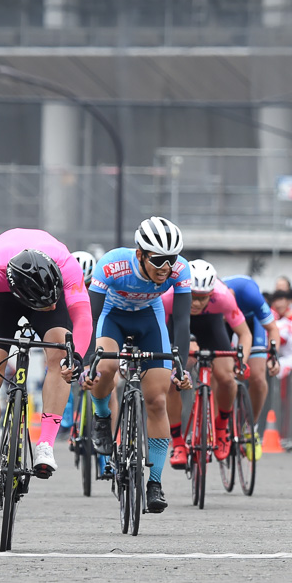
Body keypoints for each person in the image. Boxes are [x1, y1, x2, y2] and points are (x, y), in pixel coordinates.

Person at [0, 228, 92, 502]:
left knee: (60, 355)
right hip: (4, 296)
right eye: (48, 305)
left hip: (46, 284)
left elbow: (83, 317)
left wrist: (76, 356)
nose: (53, 309)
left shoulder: (66, 265)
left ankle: (45, 444)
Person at [83, 216, 191, 513]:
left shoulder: (180, 270)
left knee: (157, 399)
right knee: (104, 367)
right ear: (140, 254)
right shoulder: (112, 264)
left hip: (149, 319)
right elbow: (91, 319)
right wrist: (87, 360)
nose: (166, 268)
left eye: (171, 259)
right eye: (158, 260)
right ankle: (102, 416)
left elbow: (181, 320)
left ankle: (154, 483)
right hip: (111, 316)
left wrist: (180, 364)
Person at [164, 261, 253, 469]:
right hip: (177, 323)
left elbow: (245, 334)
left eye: (202, 298)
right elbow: (159, 331)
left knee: (227, 378)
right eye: (192, 297)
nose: (195, 303)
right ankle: (177, 443)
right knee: (173, 378)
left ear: (211, 294)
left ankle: (221, 429)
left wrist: (242, 361)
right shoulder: (168, 296)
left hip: (211, 326)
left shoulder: (223, 297)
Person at [222, 273, 283, 434]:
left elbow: (272, 329)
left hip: (251, 322)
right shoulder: (213, 297)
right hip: (224, 324)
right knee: (220, 372)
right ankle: (218, 425)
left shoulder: (249, 293)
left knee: (257, 377)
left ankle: (250, 426)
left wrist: (273, 357)